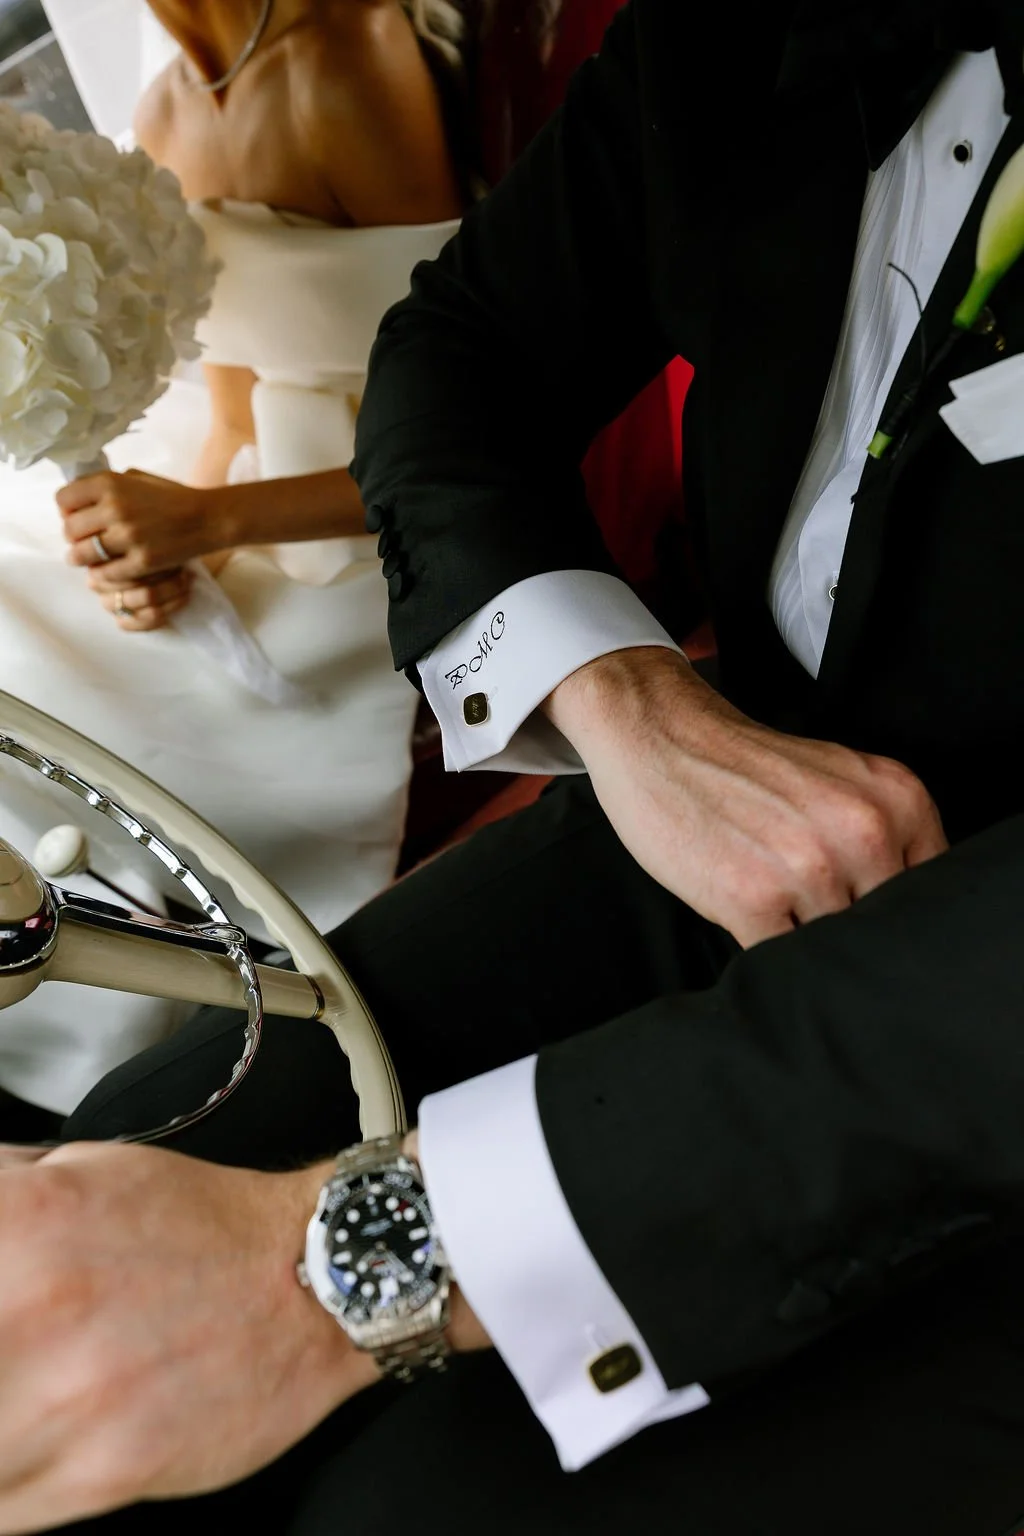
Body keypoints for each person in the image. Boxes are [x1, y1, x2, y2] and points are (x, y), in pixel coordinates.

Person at [4, 1, 1024, 1530]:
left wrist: (333, 1267)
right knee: (142, 1139)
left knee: (406, 1502)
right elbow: (459, 345)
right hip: (721, 774)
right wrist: (632, 707)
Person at [0, 0, 467, 1128]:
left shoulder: (349, 63)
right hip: (229, 506)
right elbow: (227, 403)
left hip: (363, 533)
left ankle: (94, 1004)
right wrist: (151, 554)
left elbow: (473, 429)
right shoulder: (166, 106)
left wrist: (207, 522)